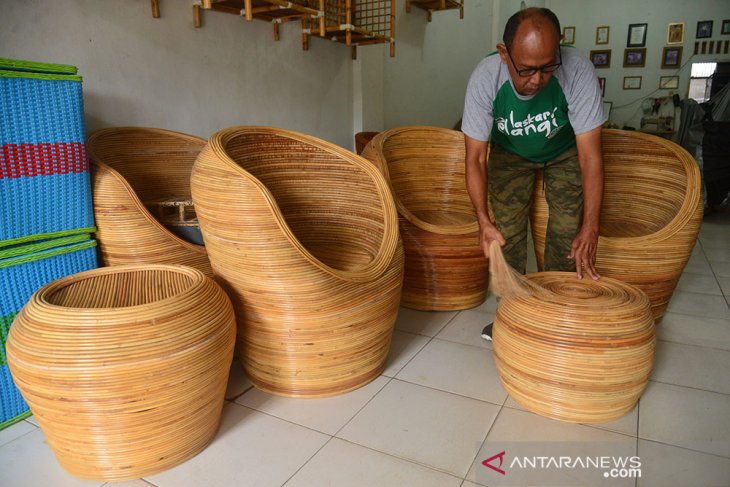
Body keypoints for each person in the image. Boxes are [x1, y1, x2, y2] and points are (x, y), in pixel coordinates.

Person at [461, 7, 605, 341]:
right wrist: (483, 220)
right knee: (505, 233)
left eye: (546, 67)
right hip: (510, 153)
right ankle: (511, 315)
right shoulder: (485, 79)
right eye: (526, 70)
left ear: (559, 49)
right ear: (503, 53)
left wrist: (591, 225)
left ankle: (556, 312)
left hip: (564, 151)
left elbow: (591, 157)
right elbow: (475, 159)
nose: (537, 79)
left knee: (567, 233)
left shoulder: (578, 70)